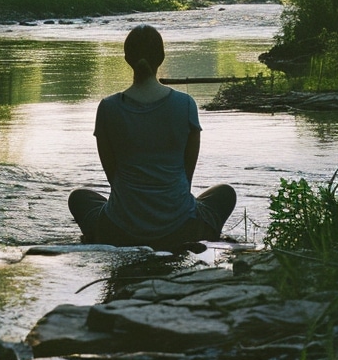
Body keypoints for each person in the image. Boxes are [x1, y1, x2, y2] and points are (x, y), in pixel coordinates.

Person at [68, 24, 237, 248]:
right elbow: (187, 177)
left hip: (119, 229)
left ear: (127, 58)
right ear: (162, 57)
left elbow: (113, 176)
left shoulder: (107, 108)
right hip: (181, 228)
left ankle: (107, 233)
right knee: (225, 194)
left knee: (79, 198)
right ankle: (192, 233)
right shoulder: (186, 104)